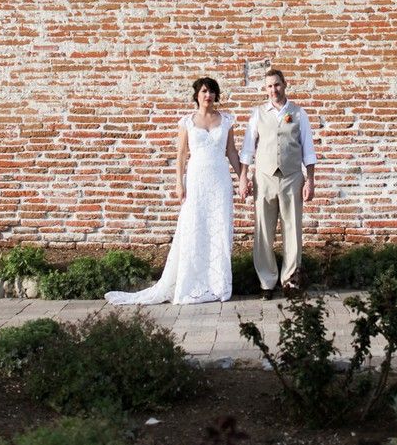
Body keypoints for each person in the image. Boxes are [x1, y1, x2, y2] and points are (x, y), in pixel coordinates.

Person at [105, 77, 241, 305]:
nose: (208, 96)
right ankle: (190, 284)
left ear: (216, 95)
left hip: (220, 181)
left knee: (219, 229)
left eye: (212, 92)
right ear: (197, 95)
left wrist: (243, 176)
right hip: (196, 180)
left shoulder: (226, 120)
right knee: (194, 228)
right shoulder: (187, 122)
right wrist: (179, 183)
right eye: (204, 91)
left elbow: (232, 152)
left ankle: (218, 285)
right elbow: (181, 155)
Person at [238, 69, 316, 297]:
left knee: (293, 230)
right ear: (266, 89)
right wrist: (243, 177)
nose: (274, 90)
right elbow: (247, 149)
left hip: (292, 177)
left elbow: (308, 151)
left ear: (285, 85)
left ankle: (291, 282)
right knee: (263, 230)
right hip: (264, 178)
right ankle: (266, 282)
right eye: (269, 86)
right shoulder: (258, 114)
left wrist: (310, 181)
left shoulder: (299, 114)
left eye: (277, 85)